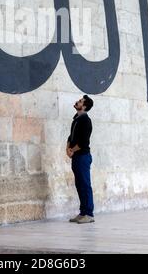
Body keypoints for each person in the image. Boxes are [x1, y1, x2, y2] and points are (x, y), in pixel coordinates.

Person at [66, 95, 94, 223]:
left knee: (85, 185)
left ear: (84, 106)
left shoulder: (86, 121)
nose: (78, 101)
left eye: (81, 101)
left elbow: (83, 142)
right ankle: (83, 212)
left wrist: (72, 150)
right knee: (79, 185)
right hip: (76, 157)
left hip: (82, 157)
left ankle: (89, 214)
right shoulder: (76, 119)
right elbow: (71, 136)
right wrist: (67, 148)